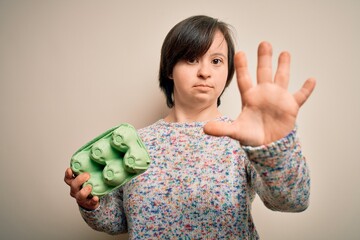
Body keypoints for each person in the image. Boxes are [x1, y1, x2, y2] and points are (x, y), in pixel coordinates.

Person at [64, 15, 316, 239]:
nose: (205, 72)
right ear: (170, 69)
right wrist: (92, 205)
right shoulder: (138, 143)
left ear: (227, 72)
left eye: (216, 61)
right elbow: (120, 222)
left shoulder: (242, 138)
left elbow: (293, 201)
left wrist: (273, 148)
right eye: (192, 59)